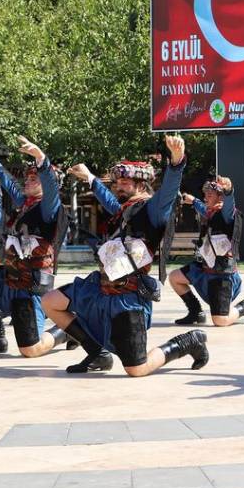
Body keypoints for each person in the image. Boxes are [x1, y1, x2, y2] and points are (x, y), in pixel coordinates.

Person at [37, 135, 210, 376]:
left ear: (141, 184)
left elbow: (169, 190)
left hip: (128, 296)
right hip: (99, 287)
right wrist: (90, 178)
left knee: (136, 369)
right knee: (50, 301)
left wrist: (177, 161)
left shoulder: (153, 209)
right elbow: (110, 201)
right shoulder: (125, 210)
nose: (118, 185)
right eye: (117, 182)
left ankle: (186, 343)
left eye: (125, 182)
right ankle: (97, 353)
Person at [0, 137, 67, 356]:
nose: (27, 181)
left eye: (33, 178)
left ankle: (66, 330)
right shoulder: (25, 204)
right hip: (10, 275)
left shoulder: (49, 208)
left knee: (30, 350)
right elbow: (8, 184)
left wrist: (40, 158)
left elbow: (50, 186)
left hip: (31, 283)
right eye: (27, 178)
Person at [169, 177, 244, 327]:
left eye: (209, 195)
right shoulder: (209, 211)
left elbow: (229, 202)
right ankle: (196, 312)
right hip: (204, 268)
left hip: (221, 273)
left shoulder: (226, 213)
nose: (205, 198)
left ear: (220, 197)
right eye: (205, 195)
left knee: (220, 321)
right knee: (174, 277)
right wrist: (192, 200)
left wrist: (229, 190)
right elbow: (201, 207)